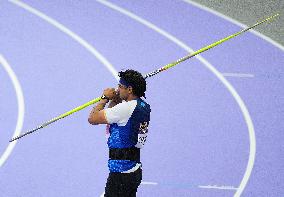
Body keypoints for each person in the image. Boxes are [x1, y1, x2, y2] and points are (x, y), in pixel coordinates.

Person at [88, 69, 151, 197]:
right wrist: (116, 99)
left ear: (129, 89)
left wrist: (104, 98)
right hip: (133, 169)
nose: (117, 89)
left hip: (121, 174)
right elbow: (114, 117)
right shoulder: (143, 106)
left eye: (120, 86)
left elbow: (93, 118)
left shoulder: (125, 109)